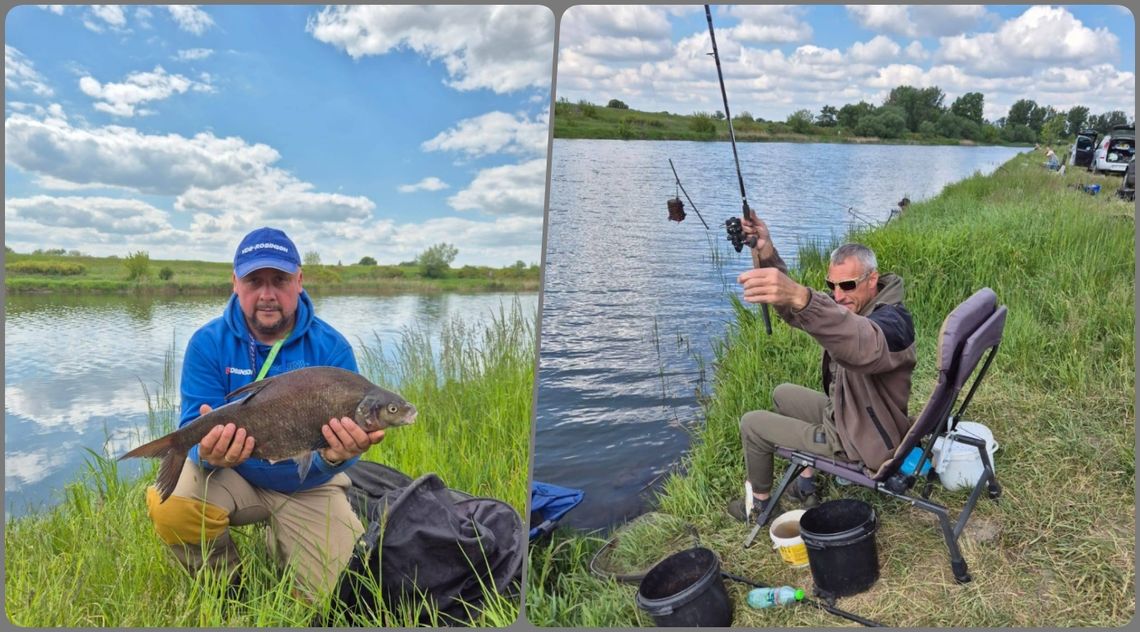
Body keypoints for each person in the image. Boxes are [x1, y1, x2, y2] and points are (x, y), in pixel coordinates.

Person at [144, 227, 385, 600]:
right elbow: (191, 430)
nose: (267, 294)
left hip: (309, 486)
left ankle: (283, 540)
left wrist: (336, 458)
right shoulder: (207, 343)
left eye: (280, 280)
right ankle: (228, 590)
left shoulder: (332, 348)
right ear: (235, 283)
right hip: (234, 475)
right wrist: (205, 453)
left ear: (299, 282)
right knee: (173, 505)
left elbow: (341, 457)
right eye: (255, 281)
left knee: (343, 597)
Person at [727, 215, 916, 525]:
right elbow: (803, 310)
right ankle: (805, 483)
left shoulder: (893, 324)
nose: (838, 295)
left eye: (848, 285)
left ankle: (759, 506)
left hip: (865, 441)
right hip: (854, 415)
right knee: (783, 394)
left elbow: (863, 343)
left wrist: (803, 297)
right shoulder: (856, 303)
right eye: (832, 285)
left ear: (872, 279)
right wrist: (766, 252)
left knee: (752, 424)